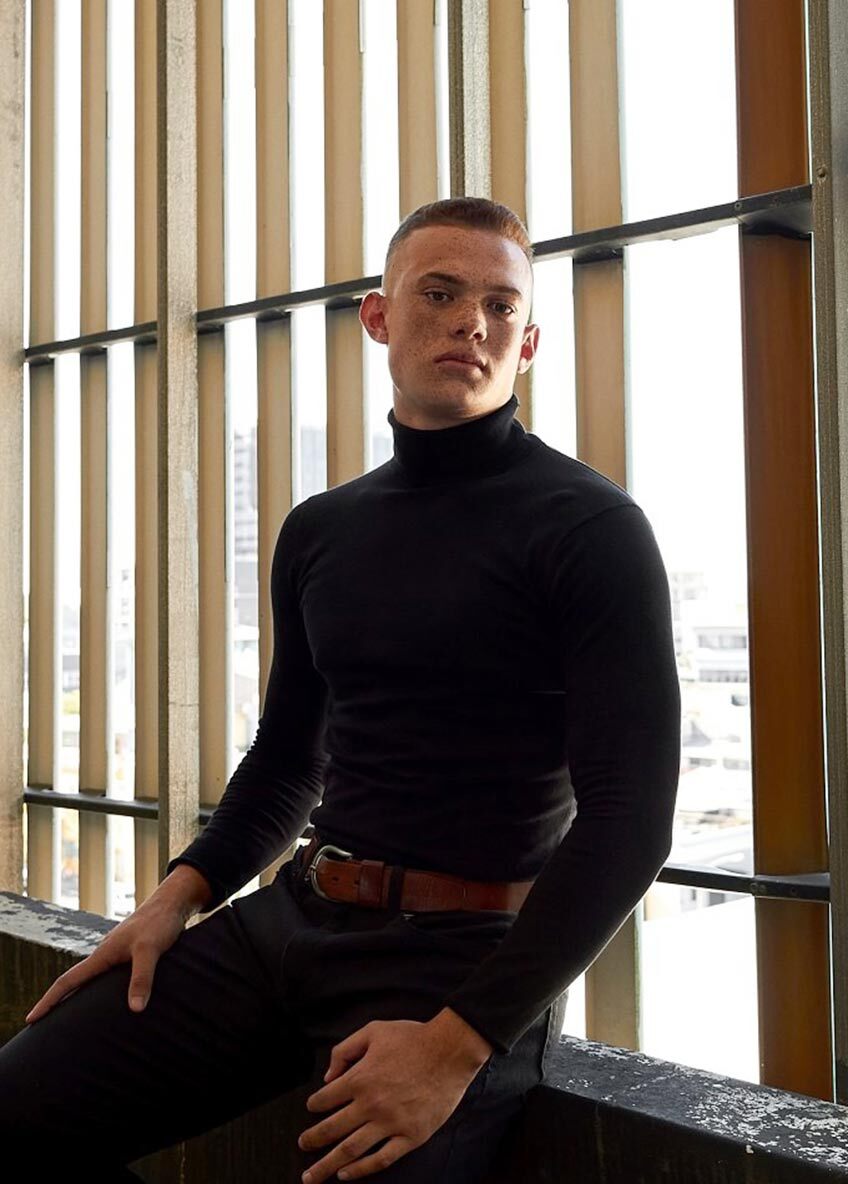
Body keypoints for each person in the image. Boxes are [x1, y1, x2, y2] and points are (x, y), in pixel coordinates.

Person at [0, 197, 680, 1183]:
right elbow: (289, 759)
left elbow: (630, 823)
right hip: (292, 921)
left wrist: (457, 1043)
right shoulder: (321, 529)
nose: (471, 322)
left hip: (458, 967)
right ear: (378, 316)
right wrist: (174, 898)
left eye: (499, 305)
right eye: (439, 294)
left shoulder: (591, 529)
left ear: (527, 343)